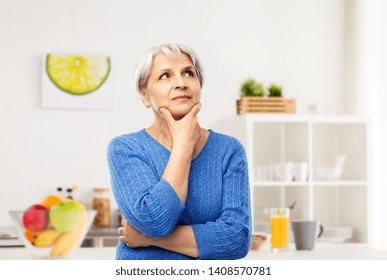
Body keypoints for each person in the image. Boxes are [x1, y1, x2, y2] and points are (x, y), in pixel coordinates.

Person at [107, 43, 251, 260]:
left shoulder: (229, 150)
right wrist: (184, 145)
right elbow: (155, 220)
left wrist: (148, 239)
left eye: (188, 73)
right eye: (165, 76)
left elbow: (236, 239)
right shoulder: (125, 148)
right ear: (145, 95)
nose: (181, 83)